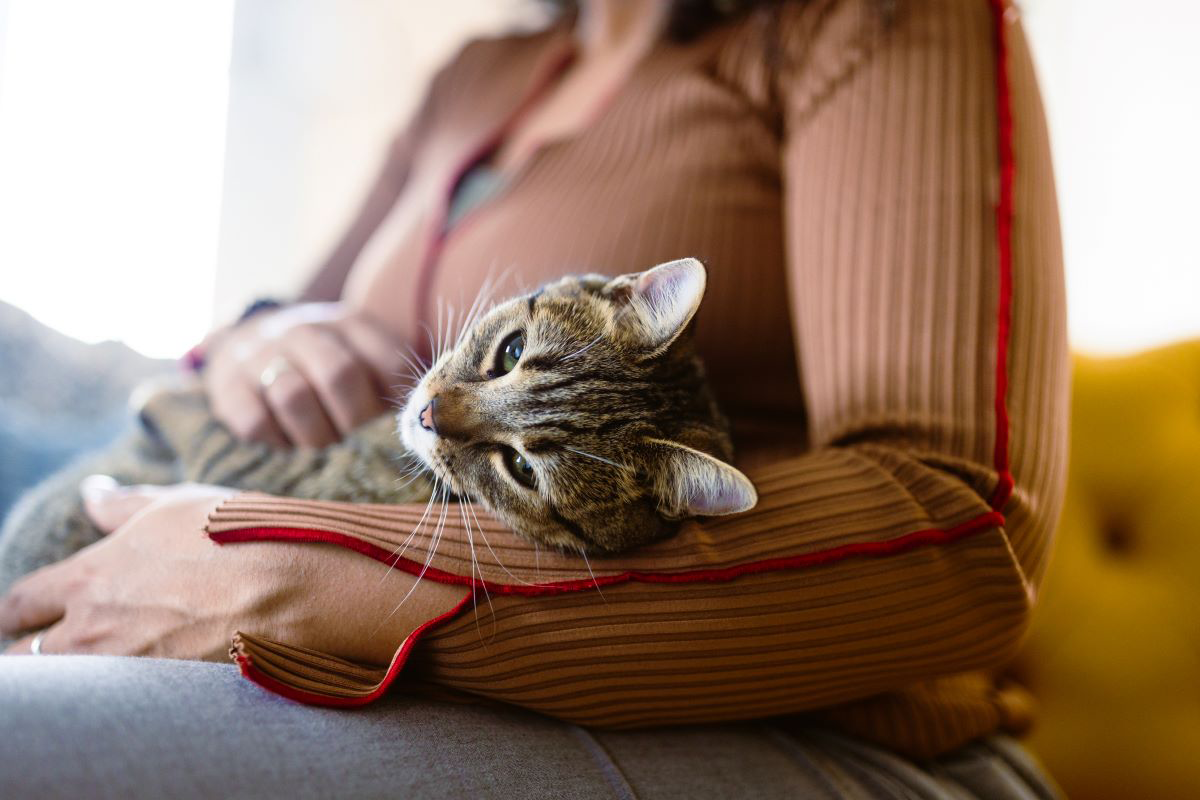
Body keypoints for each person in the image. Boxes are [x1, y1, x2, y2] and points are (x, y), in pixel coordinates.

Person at [0, 0, 1069, 796]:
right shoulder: (483, 69)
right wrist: (260, 338)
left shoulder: (871, 21)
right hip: (240, 468)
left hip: (815, 734)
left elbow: (963, 521)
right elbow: (270, 317)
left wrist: (332, 578)